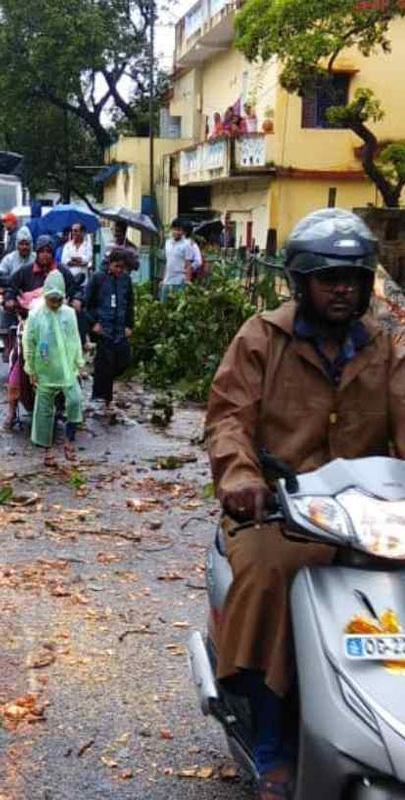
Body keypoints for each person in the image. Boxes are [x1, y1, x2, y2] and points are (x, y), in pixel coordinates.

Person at [203, 208, 405, 800]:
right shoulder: (261, 338)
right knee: (274, 574)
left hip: (370, 518)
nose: (343, 290)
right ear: (300, 282)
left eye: (354, 279)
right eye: (329, 279)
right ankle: (273, 736)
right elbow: (228, 419)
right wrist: (242, 477)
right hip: (279, 514)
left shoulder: (387, 347)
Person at [23, 270, 84, 464]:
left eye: (59, 300)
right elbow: (29, 343)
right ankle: (47, 450)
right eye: (52, 300)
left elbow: (75, 339)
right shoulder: (36, 315)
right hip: (45, 369)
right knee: (44, 411)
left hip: (66, 368)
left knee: (75, 401)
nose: (55, 304)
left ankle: (69, 440)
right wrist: (31, 369)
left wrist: (78, 363)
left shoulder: (69, 314)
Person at [84, 246, 134, 422]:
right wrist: (93, 323)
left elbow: (130, 304)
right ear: (110, 264)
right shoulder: (98, 278)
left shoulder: (125, 280)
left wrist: (129, 325)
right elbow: (86, 303)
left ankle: (103, 391)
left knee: (123, 361)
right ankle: (105, 399)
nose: (119, 270)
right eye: (116, 266)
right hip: (103, 329)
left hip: (119, 328)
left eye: (122, 267)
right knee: (106, 363)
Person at [0, 225, 35, 367]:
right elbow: (0, 275)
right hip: (13, 293)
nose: (24, 247)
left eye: (27, 244)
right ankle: (7, 344)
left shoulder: (36, 258)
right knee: (4, 308)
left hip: (33, 297)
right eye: (21, 244)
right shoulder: (9, 258)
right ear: (17, 244)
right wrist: (10, 282)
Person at [161, 218, 196, 300]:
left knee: (178, 305)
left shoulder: (187, 244)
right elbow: (168, 262)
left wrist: (187, 281)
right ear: (172, 229)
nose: (176, 232)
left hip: (179, 281)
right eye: (175, 229)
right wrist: (163, 279)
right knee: (163, 305)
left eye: (179, 230)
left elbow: (188, 265)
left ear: (183, 232)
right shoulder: (168, 243)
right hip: (167, 281)